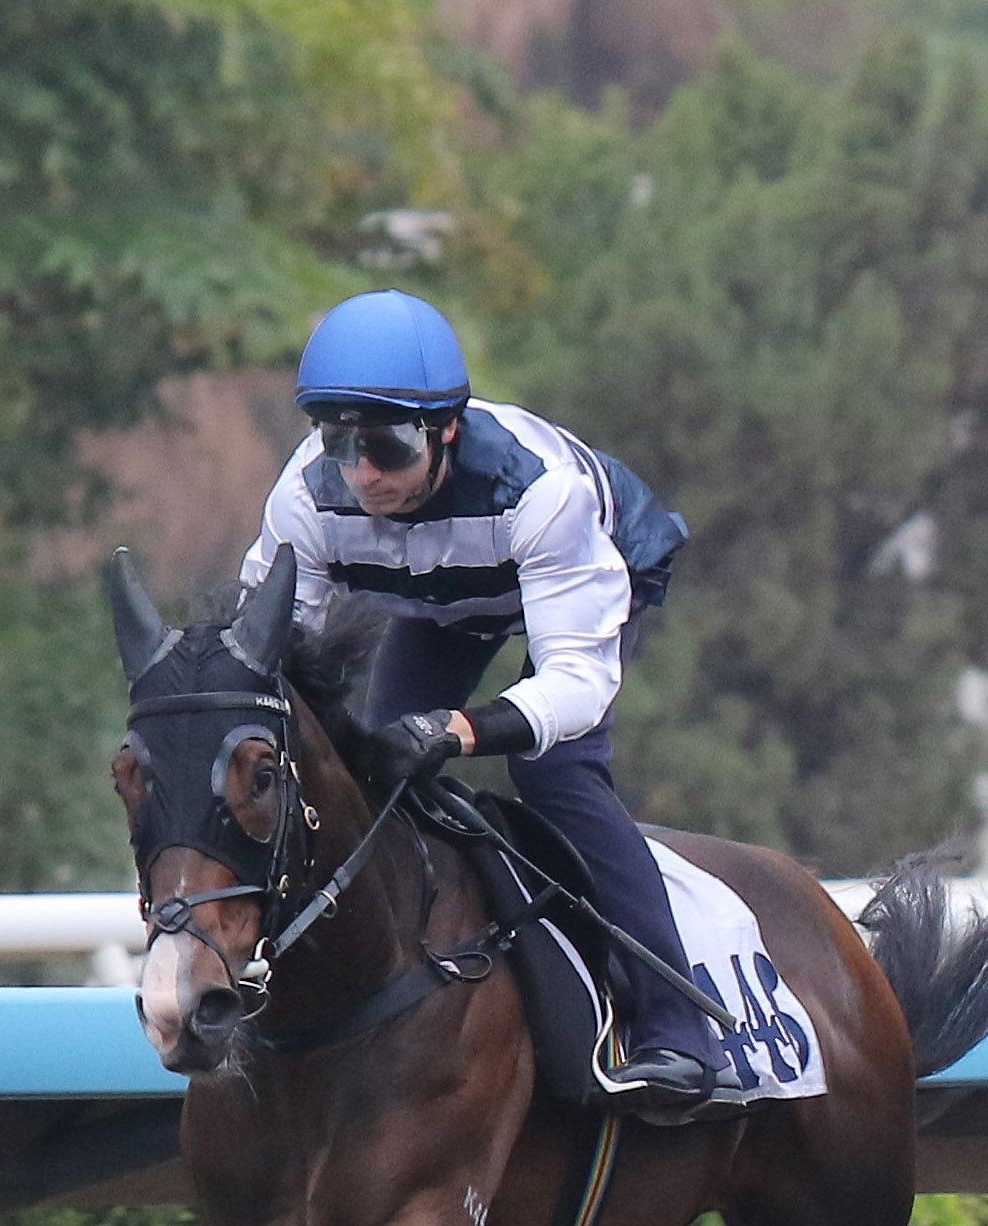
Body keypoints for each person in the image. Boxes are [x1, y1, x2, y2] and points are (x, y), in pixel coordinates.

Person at [239, 289, 740, 1123]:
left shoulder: (543, 495)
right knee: (379, 775)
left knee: (556, 775)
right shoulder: (304, 497)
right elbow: (266, 649)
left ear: (446, 431)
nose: (362, 475)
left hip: (581, 572)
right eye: (339, 445)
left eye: (388, 447)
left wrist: (458, 729)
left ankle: (678, 1023)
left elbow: (576, 687)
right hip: (443, 599)